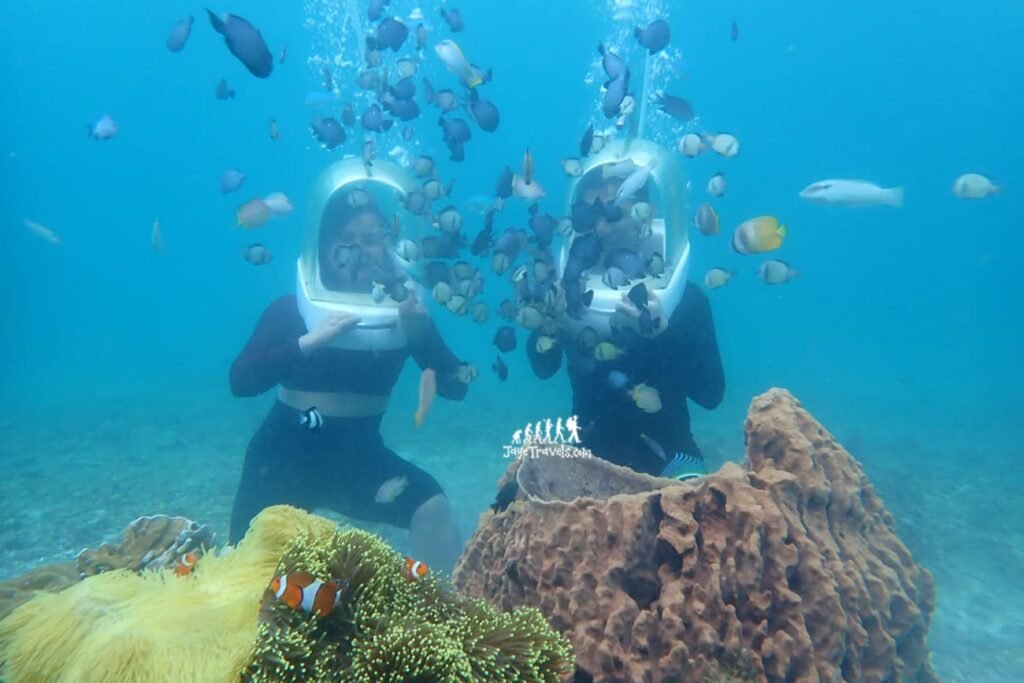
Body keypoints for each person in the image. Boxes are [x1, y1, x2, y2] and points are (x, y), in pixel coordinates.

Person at [228, 158, 472, 572]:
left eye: (373, 238)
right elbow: (241, 381)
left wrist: (422, 335)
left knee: (433, 509)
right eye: (347, 238)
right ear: (324, 245)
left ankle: (446, 617)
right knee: (245, 573)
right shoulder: (293, 309)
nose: (361, 249)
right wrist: (308, 342)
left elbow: (455, 385)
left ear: (390, 245)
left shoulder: (402, 312)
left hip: (359, 461)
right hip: (280, 459)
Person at [527, 139, 724, 478]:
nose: (600, 228)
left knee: (698, 521)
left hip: (672, 452)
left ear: (643, 215)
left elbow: (711, 394)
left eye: (612, 213)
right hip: (591, 451)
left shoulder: (685, 299)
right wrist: (549, 327)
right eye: (589, 216)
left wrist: (663, 335)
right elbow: (543, 368)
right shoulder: (566, 291)